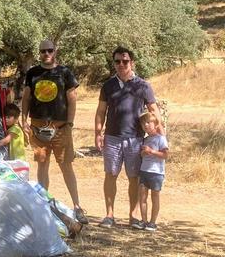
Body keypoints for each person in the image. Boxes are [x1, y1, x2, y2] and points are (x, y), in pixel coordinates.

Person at [21, 39, 88, 224]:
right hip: (37, 127)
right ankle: (43, 204)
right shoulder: (33, 73)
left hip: (60, 127)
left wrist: (69, 124)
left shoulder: (64, 72)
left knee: (66, 165)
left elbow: (72, 99)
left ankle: (77, 206)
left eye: (49, 50)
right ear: (39, 53)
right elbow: (26, 98)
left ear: (55, 51)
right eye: (43, 51)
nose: (46, 54)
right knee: (42, 164)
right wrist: (23, 119)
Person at [95, 46, 161, 229]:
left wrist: (160, 135)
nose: (121, 64)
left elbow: (154, 110)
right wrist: (97, 133)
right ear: (114, 63)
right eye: (117, 61)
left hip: (136, 138)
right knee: (111, 175)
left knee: (134, 178)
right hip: (112, 138)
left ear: (132, 62)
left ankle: (133, 216)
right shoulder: (108, 85)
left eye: (125, 61)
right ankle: (109, 215)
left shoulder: (143, 85)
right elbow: (101, 111)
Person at [138, 111, 168, 232]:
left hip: (156, 173)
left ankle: (153, 222)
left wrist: (152, 152)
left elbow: (165, 155)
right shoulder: (145, 140)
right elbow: (142, 155)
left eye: (148, 122)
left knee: (155, 197)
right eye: (143, 123)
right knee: (142, 197)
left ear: (155, 124)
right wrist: (143, 153)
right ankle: (144, 221)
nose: (145, 125)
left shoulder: (161, 139)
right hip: (144, 171)